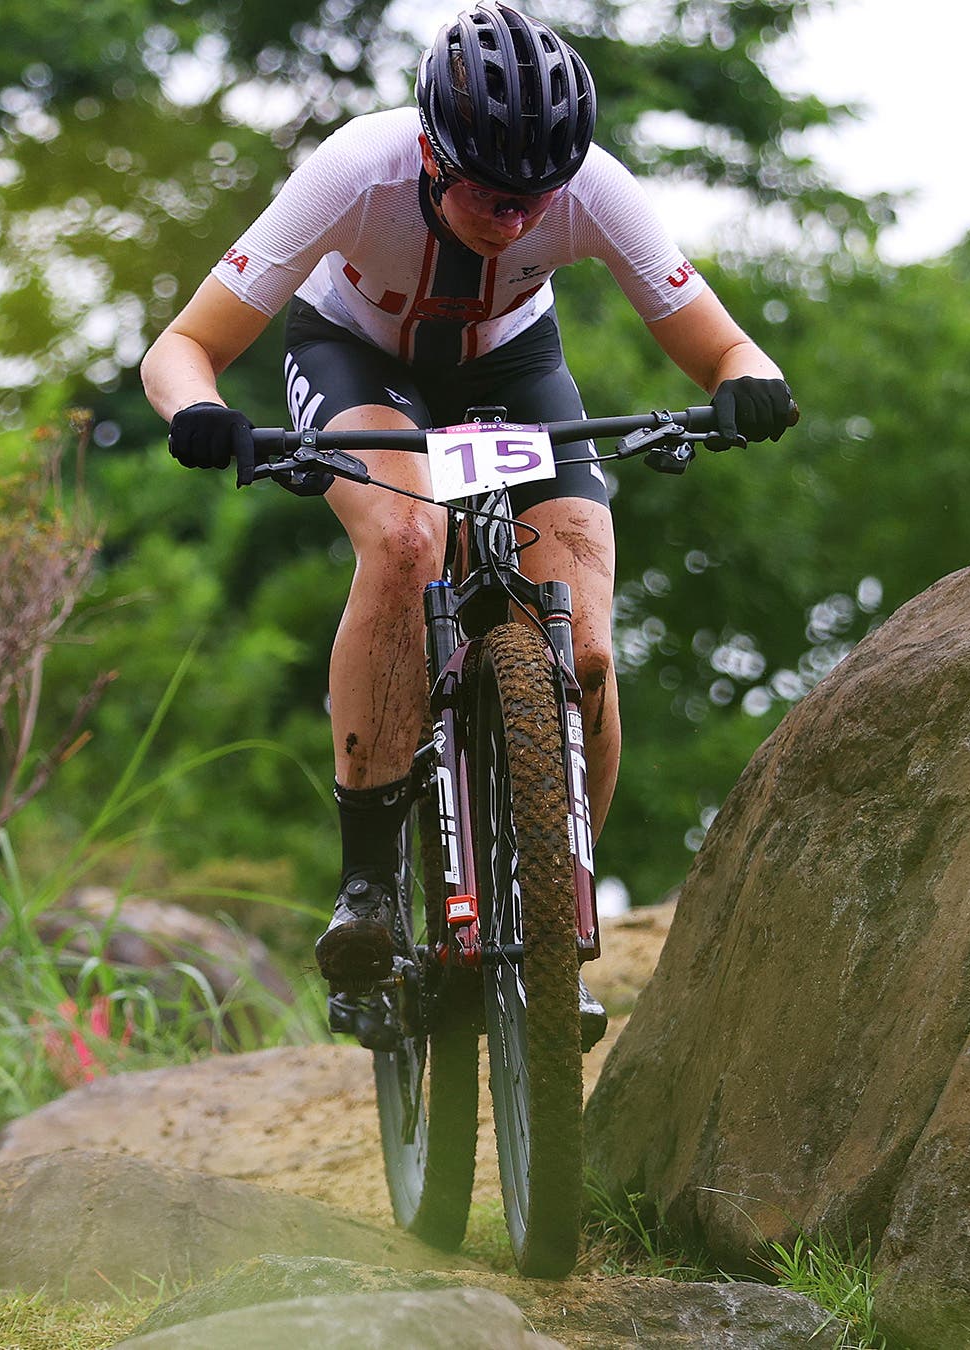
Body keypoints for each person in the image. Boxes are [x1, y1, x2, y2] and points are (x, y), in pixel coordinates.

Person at [140, 2, 793, 1041]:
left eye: (539, 197)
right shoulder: (356, 170)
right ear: (434, 156)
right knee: (408, 544)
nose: (518, 217)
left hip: (514, 370)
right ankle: (367, 891)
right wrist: (203, 414)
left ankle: (552, 917)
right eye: (492, 193)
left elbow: (727, 349)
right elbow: (180, 347)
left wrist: (754, 385)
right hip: (358, 358)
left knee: (583, 649)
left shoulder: (590, 190)